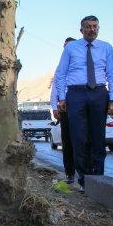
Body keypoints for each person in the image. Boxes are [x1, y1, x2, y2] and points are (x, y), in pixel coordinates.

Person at [54, 15, 113, 190]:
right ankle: (83, 178)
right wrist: (61, 98)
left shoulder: (106, 48)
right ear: (81, 29)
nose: (92, 29)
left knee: (98, 137)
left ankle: (98, 178)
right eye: (88, 27)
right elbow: (61, 73)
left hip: (98, 92)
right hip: (76, 93)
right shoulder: (71, 48)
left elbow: (112, 74)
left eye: (95, 26)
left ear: (98, 28)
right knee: (79, 137)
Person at [50, 37, 76, 183]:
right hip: (65, 108)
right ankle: (70, 173)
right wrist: (54, 107)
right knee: (68, 140)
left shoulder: (83, 65)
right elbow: (55, 88)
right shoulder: (61, 67)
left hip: (81, 106)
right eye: (66, 47)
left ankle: (86, 173)